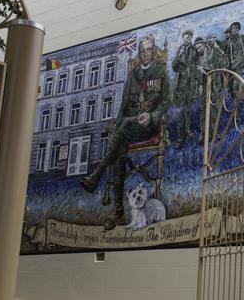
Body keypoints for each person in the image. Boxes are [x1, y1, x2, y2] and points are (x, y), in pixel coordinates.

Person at [81, 35, 171, 230]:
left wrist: (153, 116)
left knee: (122, 134)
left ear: (153, 51)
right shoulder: (133, 74)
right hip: (130, 126)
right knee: (120, 150)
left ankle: (96, 175)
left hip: (148, 127)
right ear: (139, 53)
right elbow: (123, 106)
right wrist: (120, 122)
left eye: (148, 50)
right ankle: (118, 209)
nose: (145, 54)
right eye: (142, 51)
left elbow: (166, 100)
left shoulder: (161, 71)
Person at [172, 29, 199, 147]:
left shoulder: (194, 50)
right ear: (183, 37)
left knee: (188, 110)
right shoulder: (179, 50)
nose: (188, 39)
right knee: (179, 112)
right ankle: (179, 138)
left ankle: (188, 131)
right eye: (186, 37)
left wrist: (197, 85)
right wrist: (179, 56)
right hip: (180, 86)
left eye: (190, 37)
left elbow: (197, 66)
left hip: (191, 85)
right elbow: (174, 67)